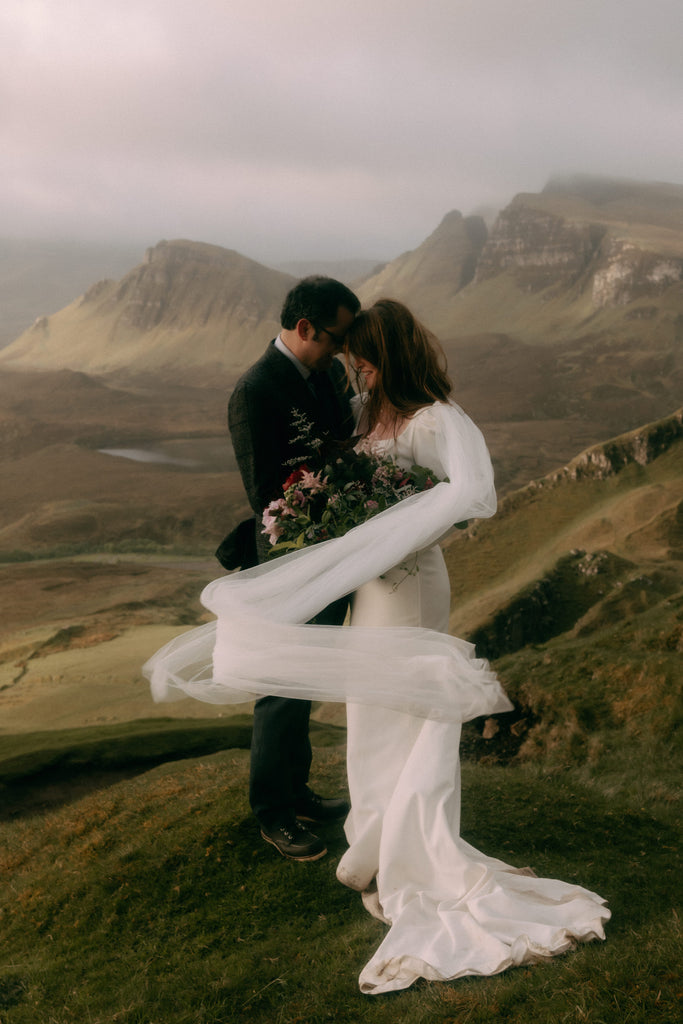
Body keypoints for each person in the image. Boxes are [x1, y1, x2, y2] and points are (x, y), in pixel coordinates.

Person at [144, 298, 609, 993]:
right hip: (371, 583)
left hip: (408, 581)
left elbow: (469, 495)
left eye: (360, 360)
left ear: (383, 356)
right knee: (371, 711)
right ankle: (379, 841)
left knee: (409, 713)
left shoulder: (435, 418)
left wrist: (386, 531)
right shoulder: (368, 414)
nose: (351, 371)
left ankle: (417, 851)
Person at [226, 275, 360, 862]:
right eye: (336, 337)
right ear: (304, 327)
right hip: (288, 558)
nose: (342, 352)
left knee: (305, 681)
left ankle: (298, 792)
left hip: (333, 552)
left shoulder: (328, 374)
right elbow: (265, 493)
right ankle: (273, 814)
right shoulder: (255, 389)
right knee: (282, 685)